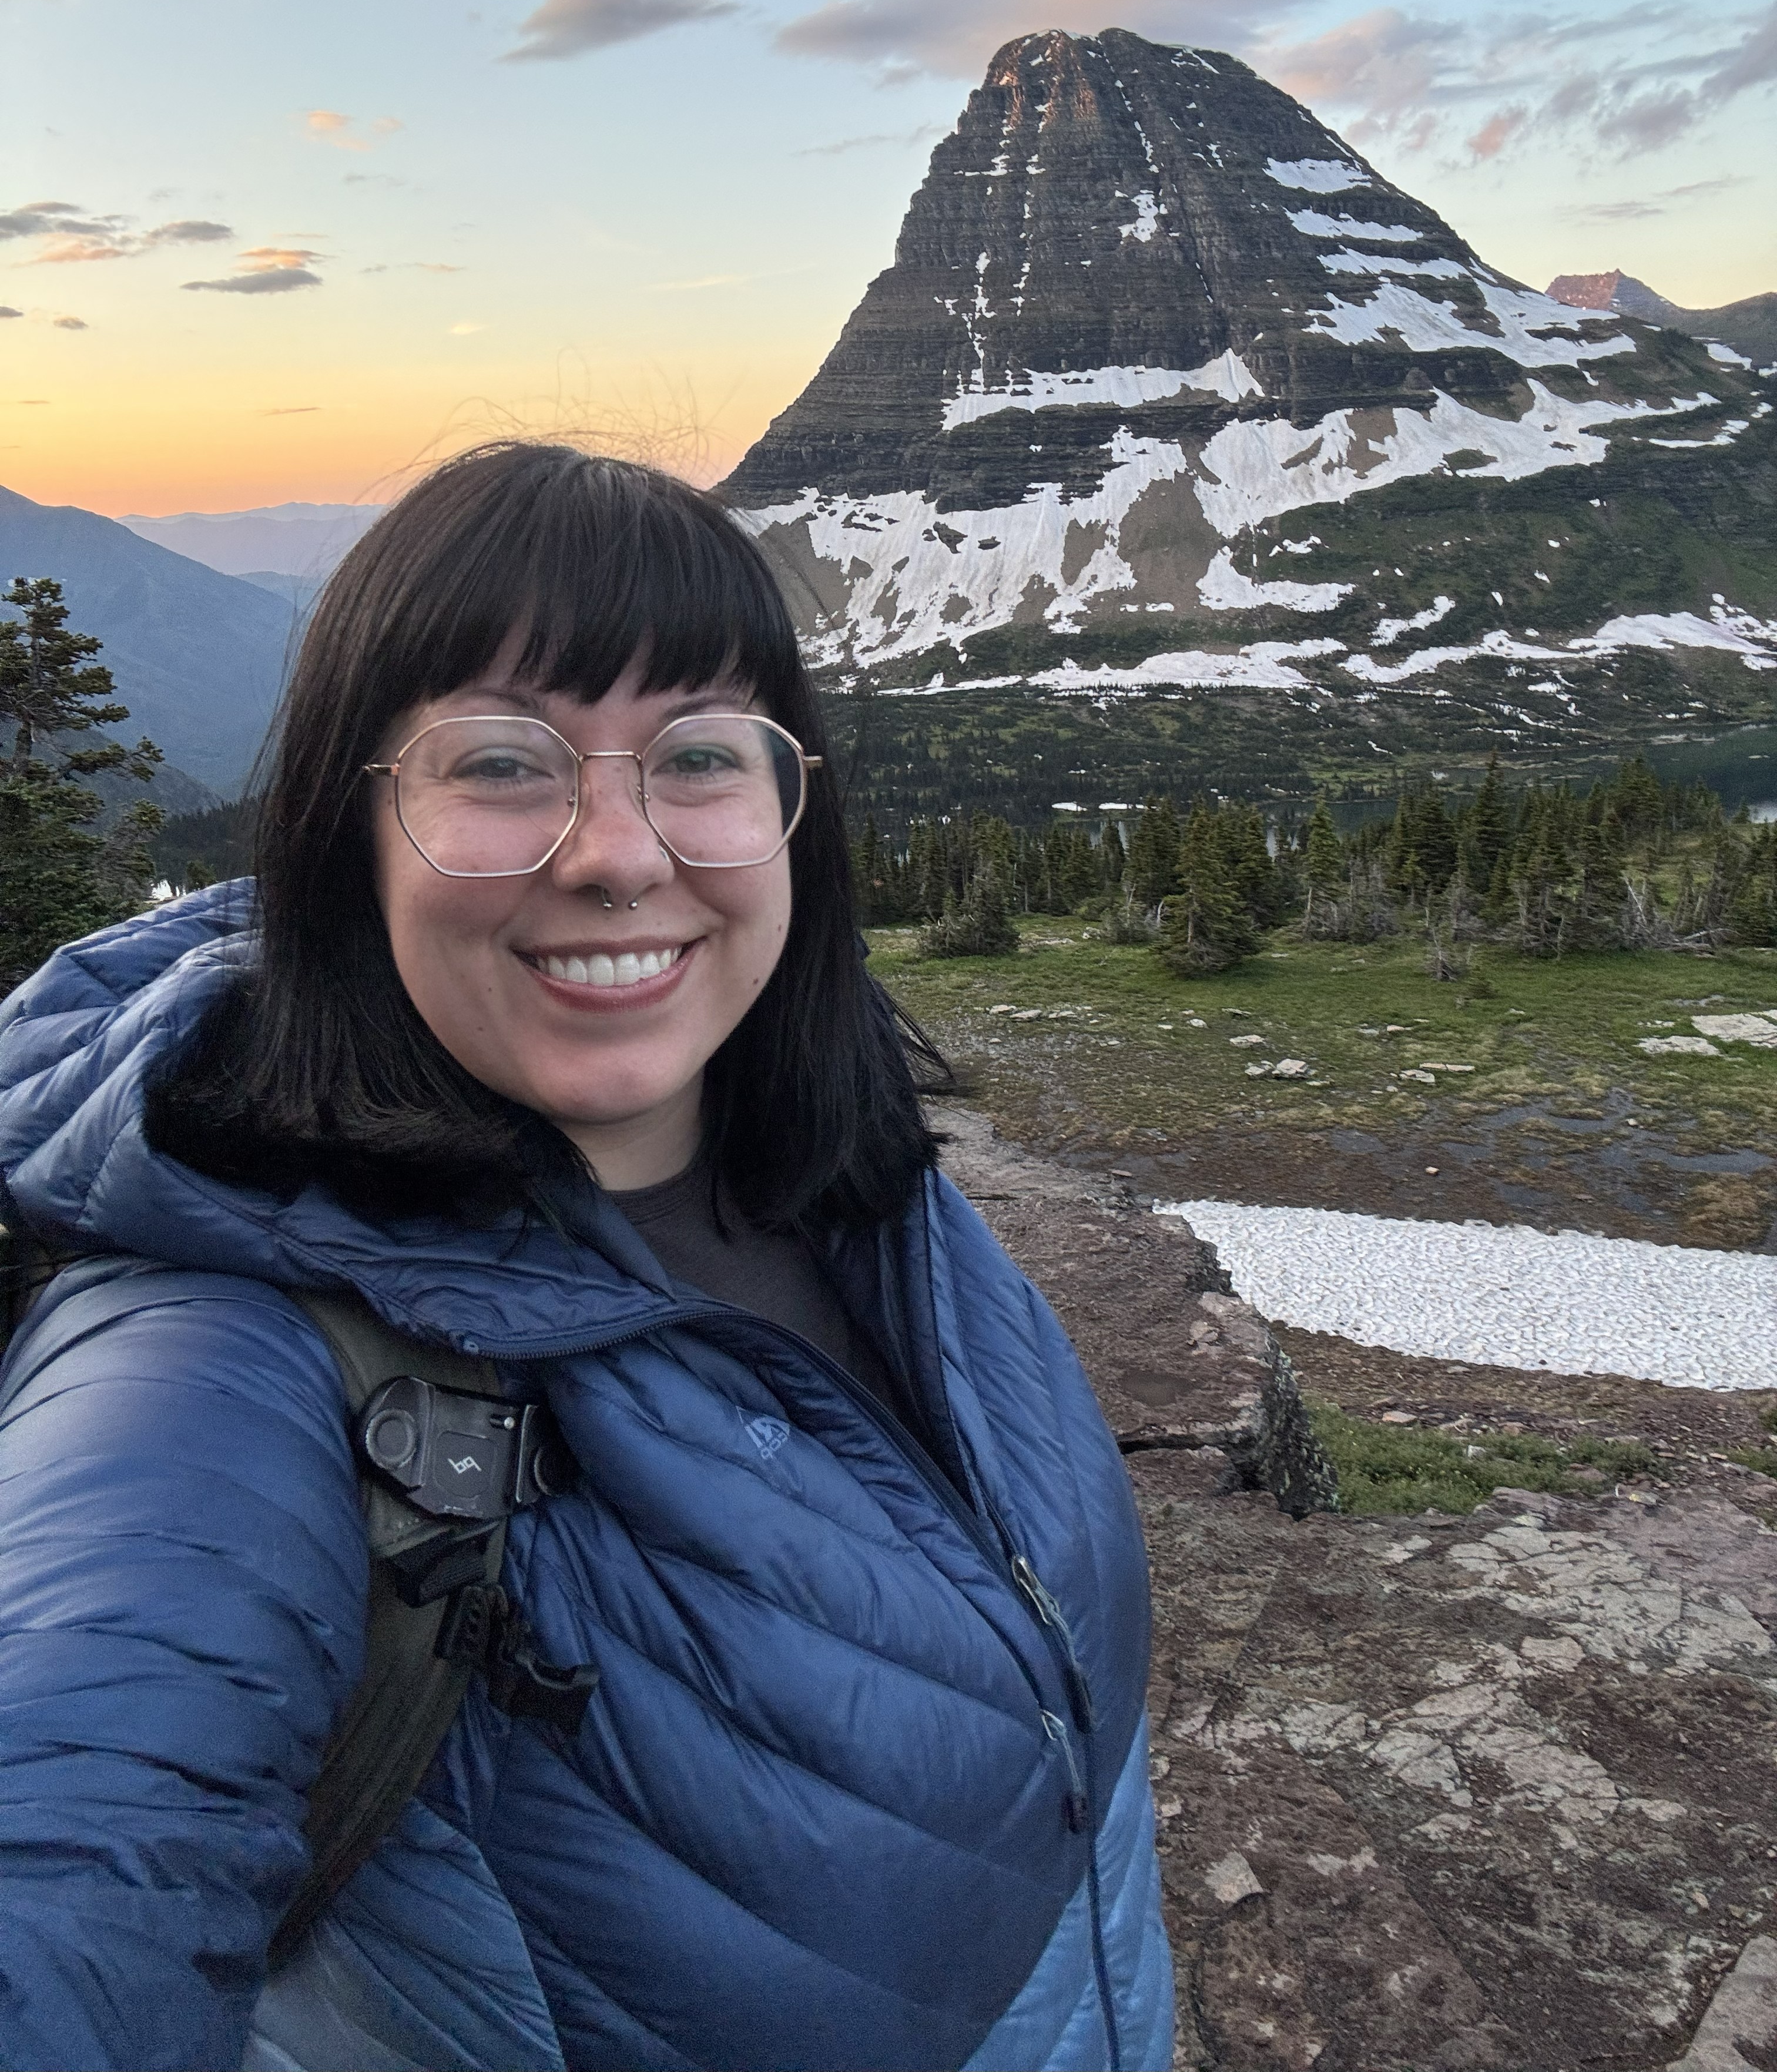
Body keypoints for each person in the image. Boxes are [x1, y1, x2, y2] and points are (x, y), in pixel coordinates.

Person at [0, 444, 1172, 2072]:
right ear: (353, 835)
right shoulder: (221, 1361)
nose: (616, 851)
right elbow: (74, 1854)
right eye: (501, 762)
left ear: (789, 809)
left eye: (697, 754)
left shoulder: (866, 1195)